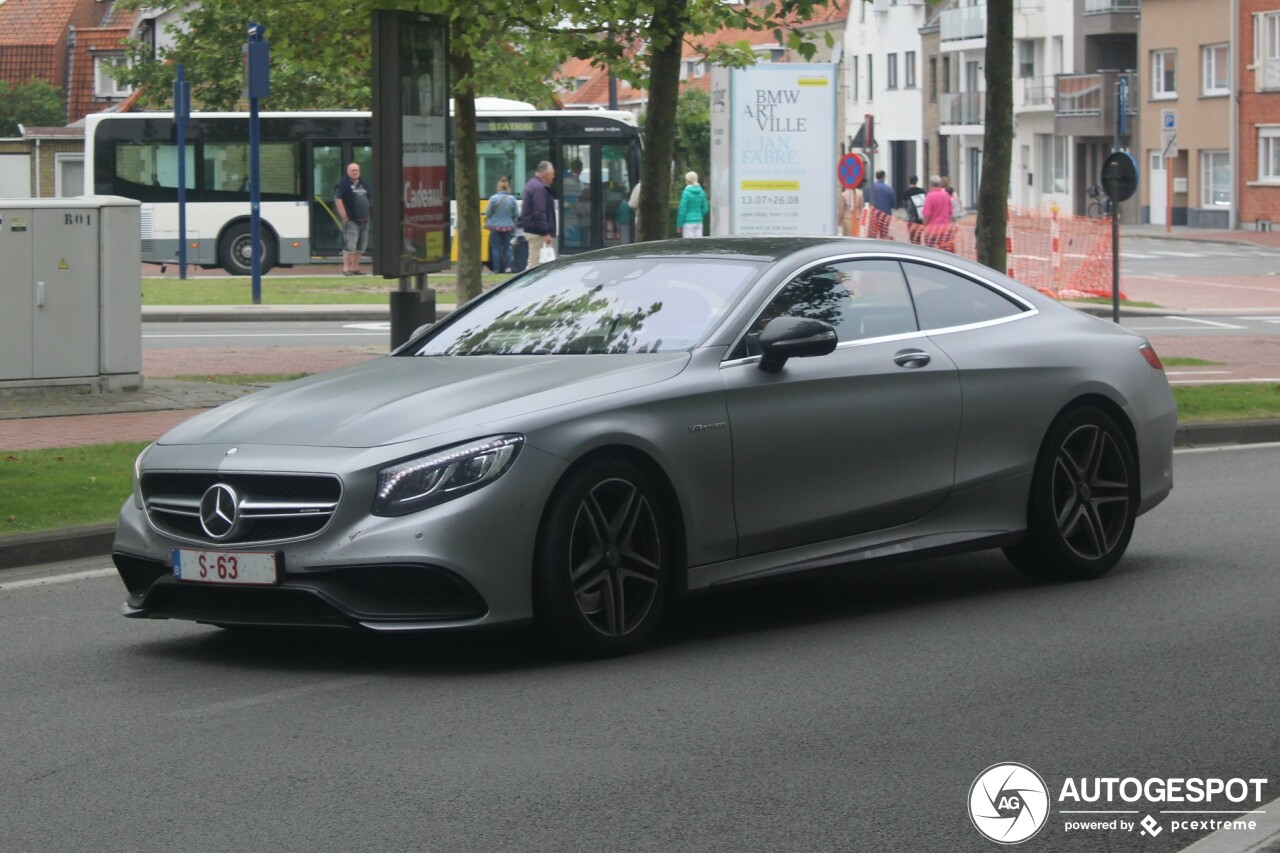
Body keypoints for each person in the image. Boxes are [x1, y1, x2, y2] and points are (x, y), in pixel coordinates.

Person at [334, 162, 371, 275]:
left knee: (361, 245)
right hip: (351, 219)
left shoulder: (364, 184)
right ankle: (346, 268)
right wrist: (344, 216)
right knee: (350, 244)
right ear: (348, 172)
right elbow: (338, 200)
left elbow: (369, 198)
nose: (355, 172)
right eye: (352, 170)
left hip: (365, 219)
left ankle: (355, 268)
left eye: (357, 170)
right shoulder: (342, 184)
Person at [520, 161, 557, 269]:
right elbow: (540, 212)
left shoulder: (532, 184)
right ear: (545, 174)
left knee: (537, 263)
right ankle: (526, 285)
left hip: (534, 230)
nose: (553, 177)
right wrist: (545, 232)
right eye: (552, 174)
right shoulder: (538, 188)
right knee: (534, 265)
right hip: (537, 233)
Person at [484, 176, 518, 273]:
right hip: (508, 227)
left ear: (498, 187)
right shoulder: (512, 199)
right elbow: (517, 214)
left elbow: (488, 213)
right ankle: (508, 268)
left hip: (495, 227)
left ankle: (496, 269)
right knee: (507, 248)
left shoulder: (493, 199)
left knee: (495, 248)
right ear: (508, 187)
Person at [921, 175, 956, 253]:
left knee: (931, 253)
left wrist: (924, 226)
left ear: (931, 184)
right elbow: (950, 213)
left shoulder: (930, 196)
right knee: (944, 254)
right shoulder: (946, 195)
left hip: (932, 231)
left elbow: (926, 215)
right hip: (944, 230)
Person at [676, 171, 709, 238]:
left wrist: (679, 225)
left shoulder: (686, 193)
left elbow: (682, 210)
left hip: (688, 222)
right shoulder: (701, 192)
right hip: (699, 222)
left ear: (688, 181)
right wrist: (698, 214)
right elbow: (705, 209)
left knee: (688, 245)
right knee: (698, 244)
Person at [869, 170, 896, 239]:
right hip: (885, 218)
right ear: (884, 177)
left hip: (873, 217)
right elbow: (893, 204)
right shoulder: (889, 189)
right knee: (884, 236)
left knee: (873, 236)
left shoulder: (869, 188)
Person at [902, 175, 926, 244]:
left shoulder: (906, 192)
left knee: (912, 237)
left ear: (909, 181)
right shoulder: (922, 191)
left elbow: (905, 206)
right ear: (917, 182)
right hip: (920, 218)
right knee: (919, 236)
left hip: (911, 219)